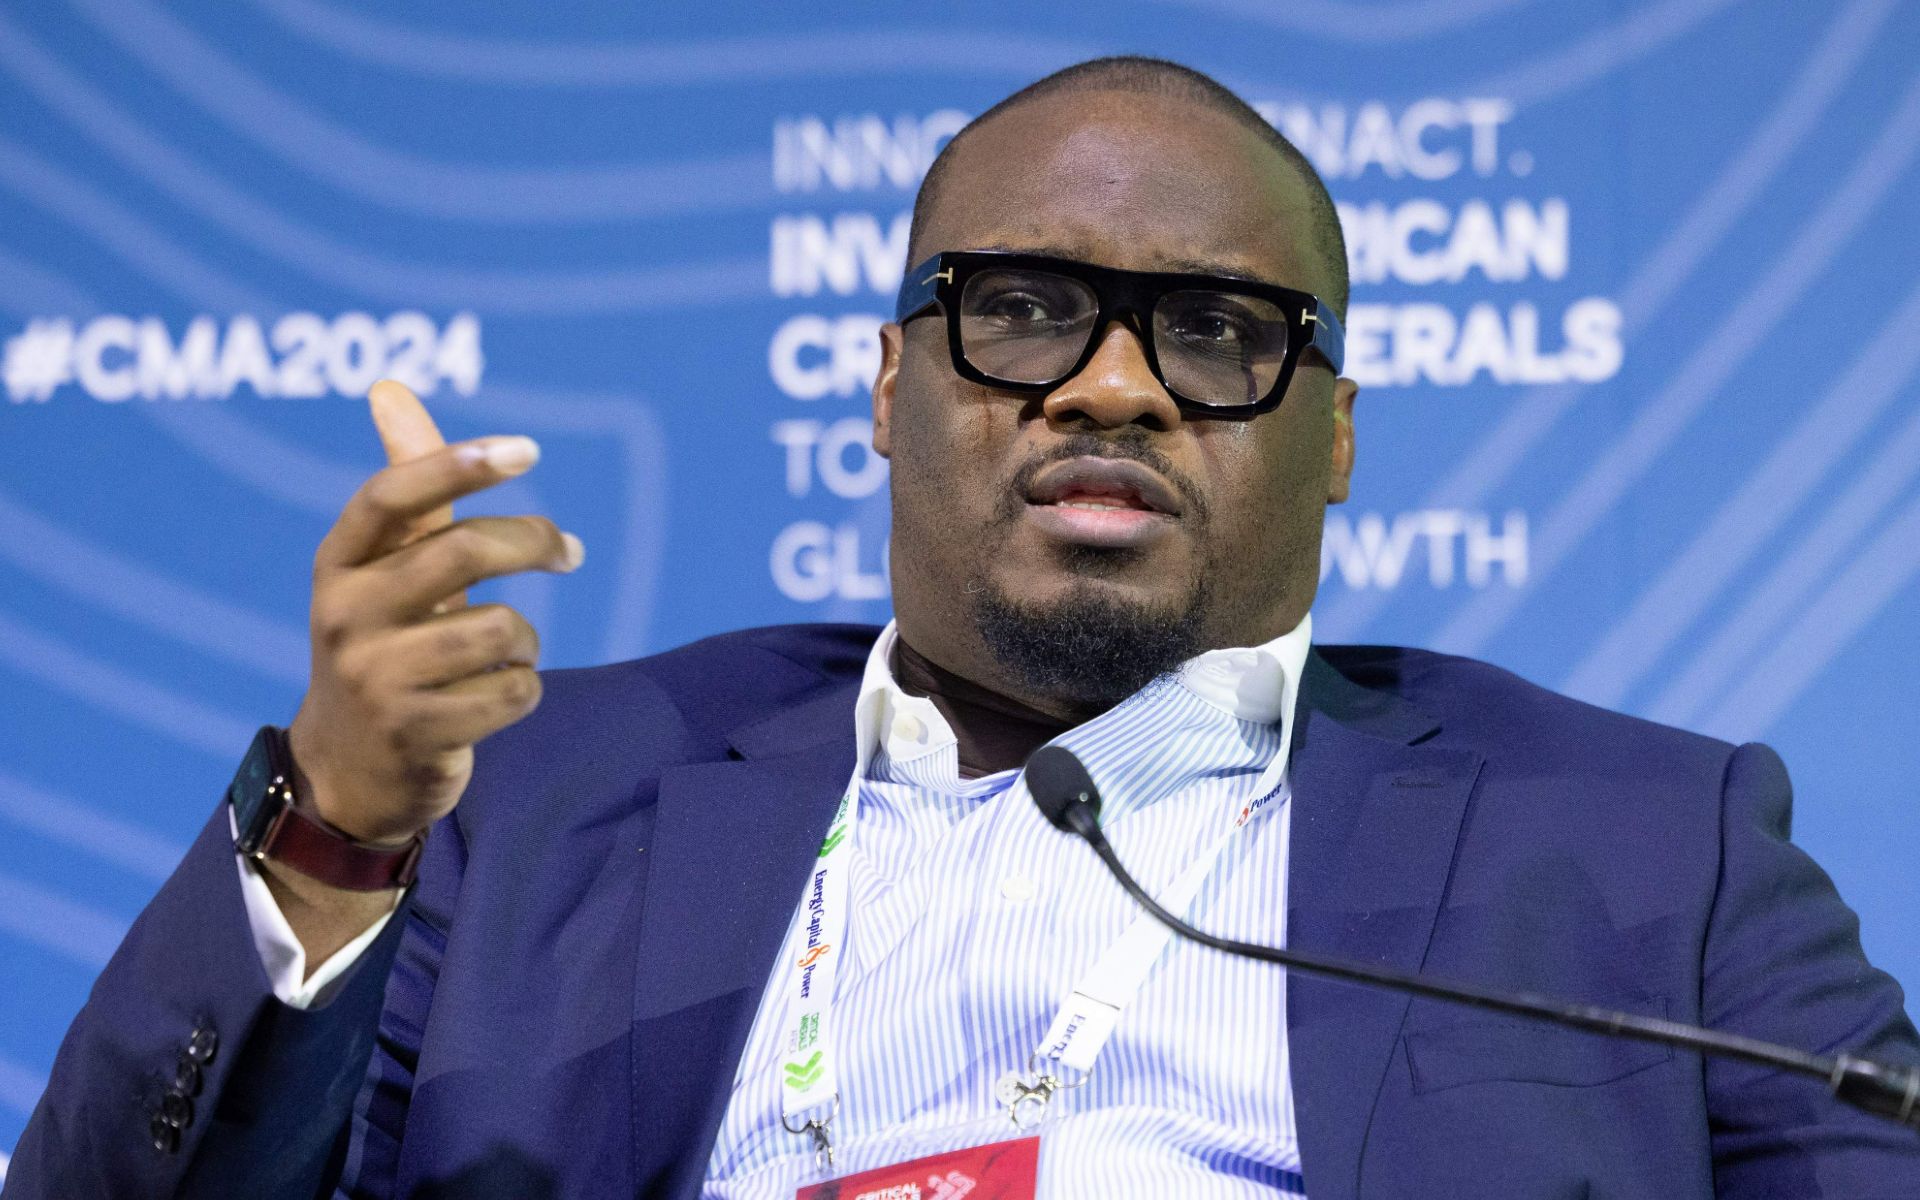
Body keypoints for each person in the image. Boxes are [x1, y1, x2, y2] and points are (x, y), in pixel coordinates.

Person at [8, 56, 1919, 1200]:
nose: (1112, 386)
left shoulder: (1641, 844)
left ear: (1337, 440)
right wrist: (339, 832)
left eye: (1216, 334)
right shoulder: (535, 798)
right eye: (1020, 309)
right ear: (884, 389)